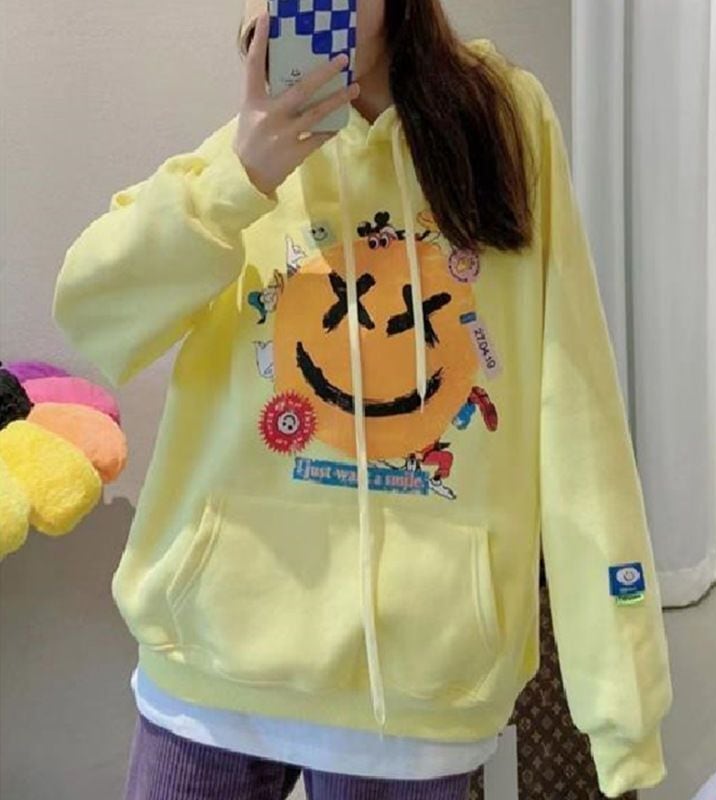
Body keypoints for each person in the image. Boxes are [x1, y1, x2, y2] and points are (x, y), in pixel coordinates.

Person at [52, 1, 674, 798]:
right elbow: (92, 312)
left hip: (418, 698)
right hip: (207, 677)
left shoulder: (500, 124)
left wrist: (622, 700)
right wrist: (239, 177)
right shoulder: (247, 156)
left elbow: (576, 397)